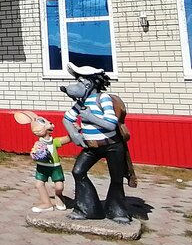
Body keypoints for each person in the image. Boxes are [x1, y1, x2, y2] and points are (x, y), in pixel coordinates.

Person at [60, 63, 132, 224]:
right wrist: (74, 135)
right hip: (91, 146)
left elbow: (110, 124)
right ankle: (88, 208)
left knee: (116, 178)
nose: (77, 85)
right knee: (78, 171)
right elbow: (67, 118)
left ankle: (117, 210)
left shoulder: (103, 99)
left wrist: (90, 117)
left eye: (81, 81)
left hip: (112, 145)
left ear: (90, 84)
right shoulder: (81, 103)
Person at [16, 111, 70, 213]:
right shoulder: (39, 143)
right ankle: (47, 203)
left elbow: (68, 139)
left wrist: (74, 131)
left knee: (59, 187)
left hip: (55, 167)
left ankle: (59, 197)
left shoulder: (54, 142)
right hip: (42, 167)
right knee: (39, 184)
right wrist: (35, 154)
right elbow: (34, 153)